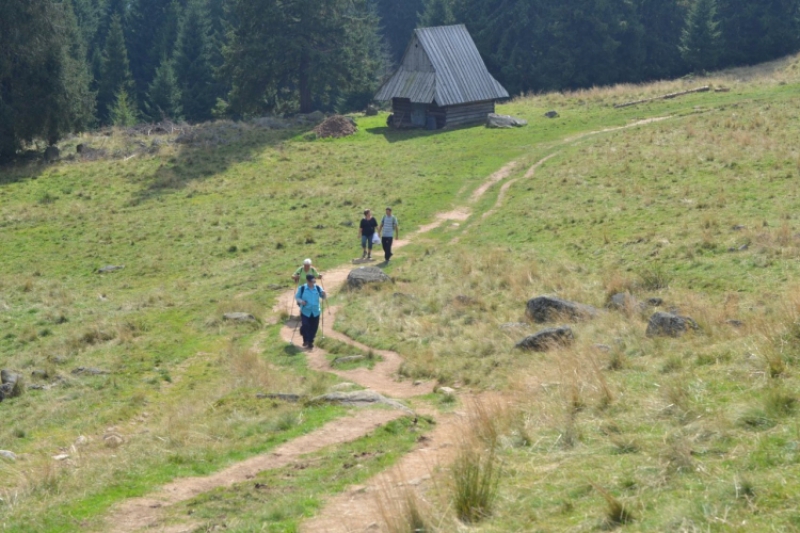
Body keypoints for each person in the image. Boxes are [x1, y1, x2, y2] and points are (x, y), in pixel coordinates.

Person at [295, 274, 326, 349]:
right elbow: (297, 297)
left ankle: (310, 342)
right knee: (306, 325)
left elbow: (323, 297)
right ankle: (305, 340)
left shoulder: (318, 288)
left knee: (314, 327)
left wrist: (324, 294)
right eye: (311, 281)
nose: (313, 283)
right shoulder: (302, 288)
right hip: (305, 311)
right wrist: (302, 301)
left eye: (314, 281)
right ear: (307, 281)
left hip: (316, 311)